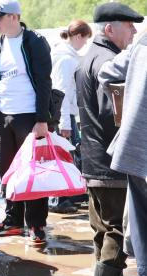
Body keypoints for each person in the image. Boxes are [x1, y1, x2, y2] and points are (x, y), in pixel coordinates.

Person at [74, 2, 143, 276]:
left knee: (103, 232)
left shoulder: (88, 55)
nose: (134, 31)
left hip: (92, 161)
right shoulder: (107, 61)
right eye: (128, 26)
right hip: (109, 163)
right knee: (116, 231)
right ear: (110, 29)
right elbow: (114, 115)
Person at [0, 0, 52, 244]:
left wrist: (42, 119)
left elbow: (44, 83)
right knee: (9, 172)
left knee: (33, 172)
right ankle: (12, 220)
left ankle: (36, 224)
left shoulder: (34, 42)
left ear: (14, 17)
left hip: (30, 117)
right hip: (3, 117)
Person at [98, 31, 147, 276]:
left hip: (137, 146)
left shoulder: (142, 41)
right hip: (137, 148)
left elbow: (106, 73)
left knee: (142, 224)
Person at [49, 20, 92, 214]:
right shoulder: (66, 59)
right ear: (78, 36)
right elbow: (62, 92)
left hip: (63, 115)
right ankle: (60, 198)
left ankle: (68, 195)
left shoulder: (65, 55)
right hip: (62, 116)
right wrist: (65, 122)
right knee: (64, 157)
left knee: (66, 157)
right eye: (84, 40)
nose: (84, 44)